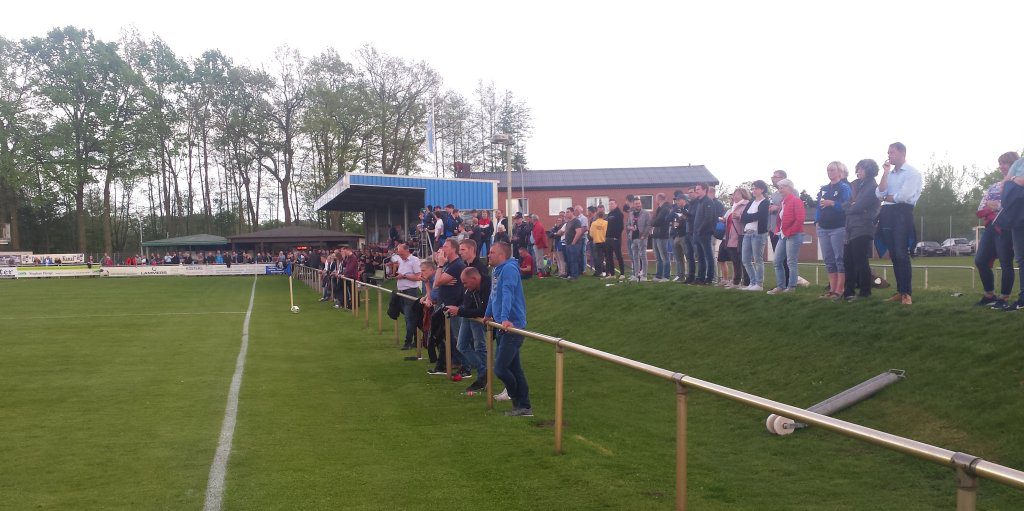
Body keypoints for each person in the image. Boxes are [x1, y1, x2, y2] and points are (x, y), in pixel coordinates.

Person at [484, 242, 532, 417]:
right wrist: (488, 314)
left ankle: (518, 401)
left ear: (502, 255)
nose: (488, 254)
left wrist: (504, 318)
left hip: (512, 326)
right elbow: (493, 294)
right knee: (515, 369)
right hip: (503, 326)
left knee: (501, 368)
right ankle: (523, 406)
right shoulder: (497, 270)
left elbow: (508, 293)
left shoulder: (510, 269)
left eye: (492, 252)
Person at [876, 142, 923, 305]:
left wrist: (887, 197)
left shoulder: (912, 173)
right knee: (894, 254)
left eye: (892, 153)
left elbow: (904, 196)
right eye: (888, 153)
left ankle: (907, 294)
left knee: (902, 254)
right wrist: (885, 173)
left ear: (902, 153)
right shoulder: (889, 173)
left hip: (902, 213)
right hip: (887, 213)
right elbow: (879, 192)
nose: (889, 155)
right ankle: (900, 291)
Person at [974, 152, 1019, 309]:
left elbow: (1014, 208)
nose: (1001, 166)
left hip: (1006, 229)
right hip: (990, 229)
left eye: (1005, 163)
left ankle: (1004, 298)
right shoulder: (993, 187)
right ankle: (989, 295)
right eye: (1000, 163)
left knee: (1006, 263)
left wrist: (997, 206)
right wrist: (993, 208)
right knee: (980, 260)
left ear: (1015, 165)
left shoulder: (1017, 186)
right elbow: (980, 209)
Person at [843, 160, 882, 301]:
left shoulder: (872, 186)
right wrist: (851, 207)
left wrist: (852, 207)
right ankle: (848, 292)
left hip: (863, 228)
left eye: (862, 169)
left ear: (870, 170)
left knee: (860, 261)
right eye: (858, 168)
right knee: (847, 260)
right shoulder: (856, 185)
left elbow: (858, 206)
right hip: (850, 227)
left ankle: (865, 292)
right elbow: (846, 204)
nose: (858, 171)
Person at [446, 266, 490, 392]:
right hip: (468, 316)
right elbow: (466, 303)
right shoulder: (471, 287)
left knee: (479, 346)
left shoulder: (487, 285)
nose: (464, 286)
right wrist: (459, 309)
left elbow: (483, 311)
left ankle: (483, 377)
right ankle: (484, 372)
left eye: (465, 282)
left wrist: (460, 310)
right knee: (461, 346)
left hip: (477, 318)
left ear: (474, 278)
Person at [816, 161, 853, 299]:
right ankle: (832, 289)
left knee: (839, 258)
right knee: (828, 259)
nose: (830, 172)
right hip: (823, 227)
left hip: (838, 227)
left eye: (832, 170)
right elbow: (819, 207)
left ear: (840, 172)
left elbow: (847, 206)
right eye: (828, 170)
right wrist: (817, 221)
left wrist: (832, 203)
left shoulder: (844, 188)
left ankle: (840, 289)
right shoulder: (824, 188)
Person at [433, 239, 468, 377]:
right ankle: (455, 361)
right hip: (446, 305)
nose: (442, 249)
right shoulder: (450, 264)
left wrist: (439, 265)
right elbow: (438, 282)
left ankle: (466, 365)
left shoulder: (456, 265)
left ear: (453, 249)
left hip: (454, 306)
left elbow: (436, 282)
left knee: (458, 337)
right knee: (449, 336)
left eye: (445, 247)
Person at [767, 179, 805, 294]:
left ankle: (791, 287)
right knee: (777, 261)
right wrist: (778, 231)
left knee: (791, 261)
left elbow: (800, 219)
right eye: (779, 188)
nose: (780, 190)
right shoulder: (783, 202)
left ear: (790, 188)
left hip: (793, 235)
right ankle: (780, 286)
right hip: (782, 235)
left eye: (782, 187)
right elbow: (781, 219)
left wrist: (791, 231)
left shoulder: (796, 201)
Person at [740, 181, 770, 291]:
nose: (753, 190)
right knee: (745, 259)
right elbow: (743, 217)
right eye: (752, 188)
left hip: (758, 233)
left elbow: (761, 216)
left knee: (758, 259)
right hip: (747, 233)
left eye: (756, 188)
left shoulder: (765, 202)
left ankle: (759, 284)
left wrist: (750, 216)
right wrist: (752, 217)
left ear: (762, 189)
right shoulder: (751, 202)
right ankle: (752, 283)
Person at [392, 243, 423, 350]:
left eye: (401, 253)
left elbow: (419, 276)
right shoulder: (402, 260)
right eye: (399, 253)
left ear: (407, 250)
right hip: (402, 292)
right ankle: (415, 340)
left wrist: (404, 276)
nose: (400, 255)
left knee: (409, 317)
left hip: (410, 292)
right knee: (408, 317)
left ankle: (408, 342)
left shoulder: (414, 260)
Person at [722, 188, 750, 288]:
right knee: (735, 260)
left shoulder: (746, 205)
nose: (735, 196)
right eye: (734, 194)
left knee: (743, 260)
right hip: (731, 236)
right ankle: (736, 281)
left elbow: (747, 219)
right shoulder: (733, 207)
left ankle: (747, 282)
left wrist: (739, 216)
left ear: (743, 195)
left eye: (737, 194)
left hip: (740, 235)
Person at [690, 183, 717, 285]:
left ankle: (709, 278)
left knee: (708, 256)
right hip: (697, 233)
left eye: (698, 189)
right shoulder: (699, 202)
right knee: (700, 257)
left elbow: (708, 218)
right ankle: (700, 277)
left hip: (704, 233)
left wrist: (700, 230)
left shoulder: (708, 201)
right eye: (695, 189)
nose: (696, 191)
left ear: (704, 190)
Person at [767, 170, 789, 285]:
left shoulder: (793, 191)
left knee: (786, 258)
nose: (773, 179)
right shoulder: (774, 194)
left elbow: (791, 205)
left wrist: (777, 208)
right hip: (773, 229)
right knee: (778, 258)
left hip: (785, 230)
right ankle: (781, 283)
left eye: (776, 177)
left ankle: (789, 283)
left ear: (784, 178)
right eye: (772, 176)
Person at [626, 197, 652, 282]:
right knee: (635, 257)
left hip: (642, 238)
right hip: (633, 238)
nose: (638, 205)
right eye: (636, 203)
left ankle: (644, 275)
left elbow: (649, 225)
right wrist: (631, 228)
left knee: (643, 256)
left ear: (641, 204)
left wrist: (644, 235)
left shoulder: (646, 213)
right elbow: (627, 225)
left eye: (639, 203)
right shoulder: (631, 214)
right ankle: (636, 275)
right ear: (633, 204)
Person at [651, 193, 673, 281]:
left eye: (656, 199)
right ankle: (658, 275)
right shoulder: (659, 208)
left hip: (662, 235)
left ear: (659, 199)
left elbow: (657, 221)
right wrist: (653, 221)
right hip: (656, 234)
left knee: (664, 256)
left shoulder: (665, 208)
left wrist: (653, 222)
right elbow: (653, 219)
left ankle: (666, 276)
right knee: (658, 257)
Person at [670, 192, 690, 282]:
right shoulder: (676, 209)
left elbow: (688, 221)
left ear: (683, 200)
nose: (677, 202)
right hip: (676, 235)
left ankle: (689, 275)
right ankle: (680, 275)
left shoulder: (688, 208)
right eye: (676, 200)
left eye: (678, 200)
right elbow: (668, 218)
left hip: (684, 235)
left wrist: (680, 222)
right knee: (678, 258)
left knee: (688, 256)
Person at [604, 198, 626, 279]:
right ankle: (612, 274)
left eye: (612, 204)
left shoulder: (619, 214)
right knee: (609, 257)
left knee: (618, 256)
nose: (610, 205)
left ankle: (622, 274)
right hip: (608, 238)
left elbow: (621, 227)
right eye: (609, 204)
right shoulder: (609, 214)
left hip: (615, 239)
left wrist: (616, 237)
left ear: (616, 204)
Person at [563, 207, 587, 279]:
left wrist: (573, 242)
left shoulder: (576, 221)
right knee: (569, 260)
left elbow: (579, 232)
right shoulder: (568, 222)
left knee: (574, 260)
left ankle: (574, 276)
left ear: (572, 212)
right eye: (566, 212)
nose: (566, 214)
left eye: (568, 212)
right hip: (568, 244)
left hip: (574, 245)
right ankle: (569, 274)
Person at [589, 211, 608, 277]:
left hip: (597, 242)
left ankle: (598, 272)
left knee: (598, 258)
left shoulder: (594, 223)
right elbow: (608, 232)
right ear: (604, 216)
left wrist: (596, 236)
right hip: (605, 241)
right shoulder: (606, 223)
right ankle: (608, 272)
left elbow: (591, 234)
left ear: (597, 216)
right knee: (607, 257)